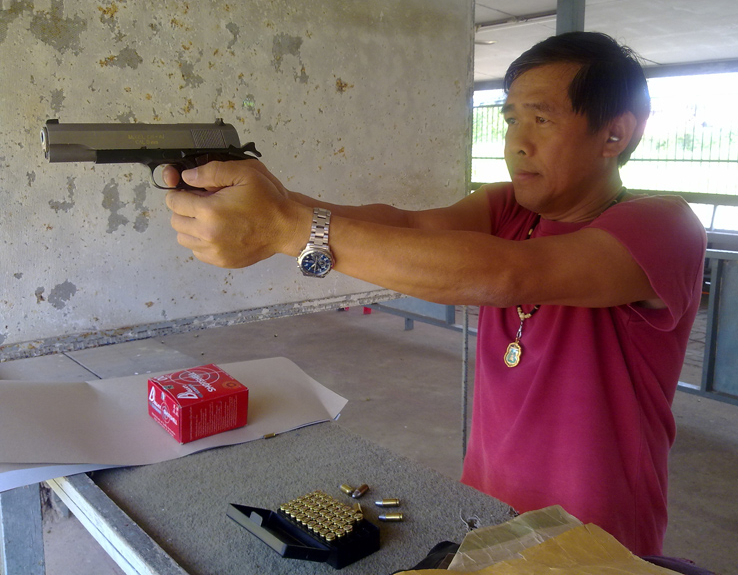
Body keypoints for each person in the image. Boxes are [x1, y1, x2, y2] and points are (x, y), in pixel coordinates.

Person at [164, 31, 707, 556]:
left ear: (615, 135)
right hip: (486, 509)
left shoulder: (663, 226)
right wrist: (269, 201)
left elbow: (510, 275)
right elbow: (407, 228)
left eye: (542, 119)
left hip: (597, 536)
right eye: (512, 120)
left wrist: (286, 228)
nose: (518, 142)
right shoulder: (508, 208)